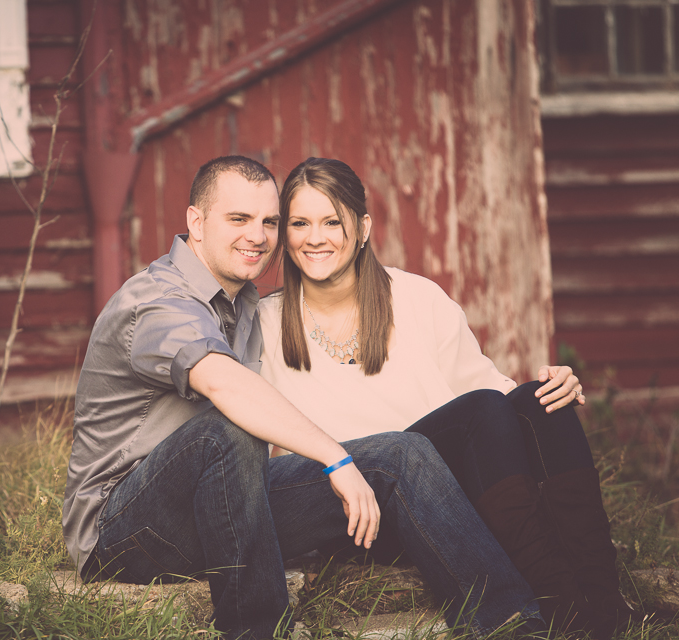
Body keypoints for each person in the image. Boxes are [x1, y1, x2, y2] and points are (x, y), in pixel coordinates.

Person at [63, 155, 545, 640]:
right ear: (196, 221)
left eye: (269, 222)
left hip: (217, 503)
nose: (257, 235)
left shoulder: (243, 304)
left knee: (402, 452)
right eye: (238, 219)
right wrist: (335, 459)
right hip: (124, 529)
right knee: (230, 426)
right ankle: (261, 631)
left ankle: (509, 623)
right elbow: (223, 384)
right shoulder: (156, 300)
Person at [259, 156, 641, 639]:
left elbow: (493, 395)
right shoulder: (265, 325)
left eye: (332, 220)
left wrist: (556, 386)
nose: (315, 237)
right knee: (483, 410)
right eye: (300, 223)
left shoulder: (417, 298)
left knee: (538, 401)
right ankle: (557, 605)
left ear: (363, 228)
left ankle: (603, 607)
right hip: (365, 509)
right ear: (285, 233)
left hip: (456, 495)